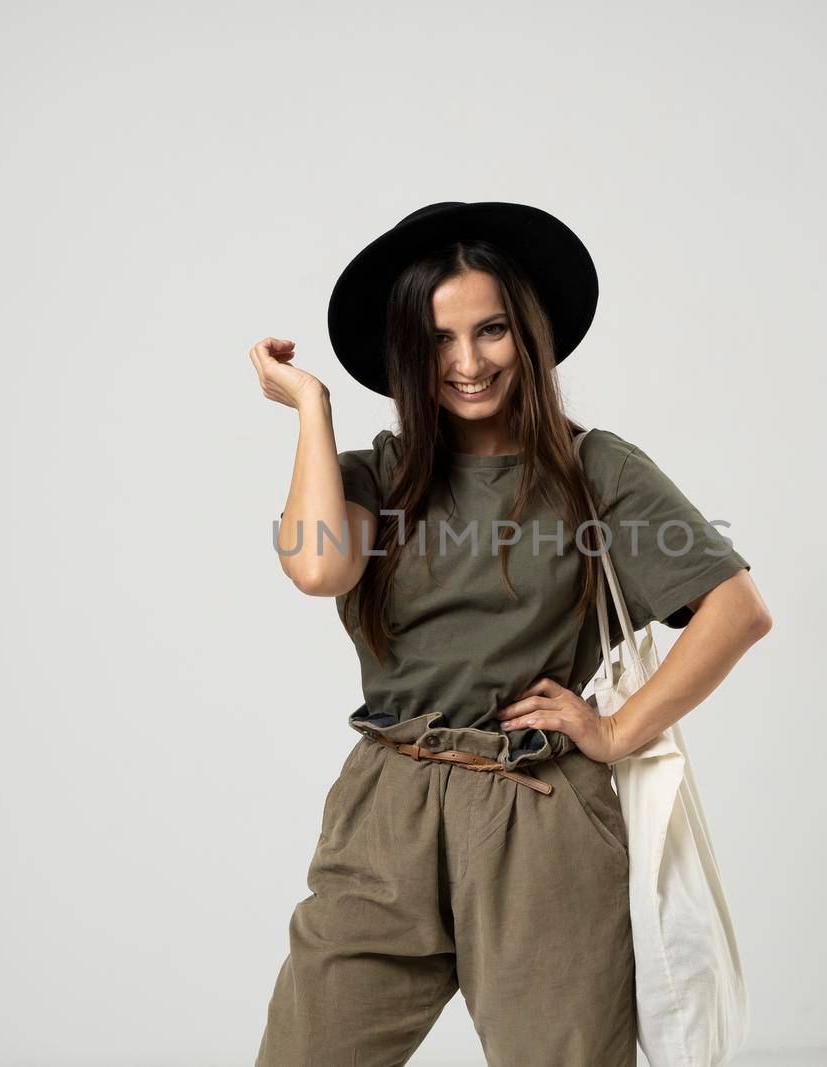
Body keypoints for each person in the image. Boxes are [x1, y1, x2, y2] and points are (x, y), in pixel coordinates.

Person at [247, 201, 772, 1066]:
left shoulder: (593, 470)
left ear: (527, 334)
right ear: (407, 352)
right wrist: (311, 407)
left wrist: (614, 730)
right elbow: (317, 569)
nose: (465, 361)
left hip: (540, 814)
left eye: (490, 330)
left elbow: (737, 607)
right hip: (389, 804)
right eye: (437, 338)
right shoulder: (373, 478)